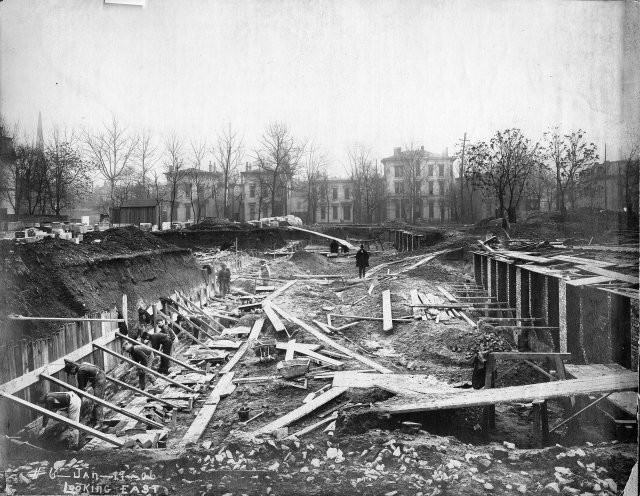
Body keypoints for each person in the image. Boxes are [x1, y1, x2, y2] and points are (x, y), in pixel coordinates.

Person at [64, 360, 106, 428]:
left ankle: (99, 422)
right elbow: (84, 382)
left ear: (73, 368)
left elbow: (81, 388)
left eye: (70, 372)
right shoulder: (82, 365)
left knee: (97, 401)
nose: (71, 374)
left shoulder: (80, 372)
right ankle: (94, 418)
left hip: (99, 379)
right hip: (99, 376)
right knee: (95, 400)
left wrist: (78, 400)